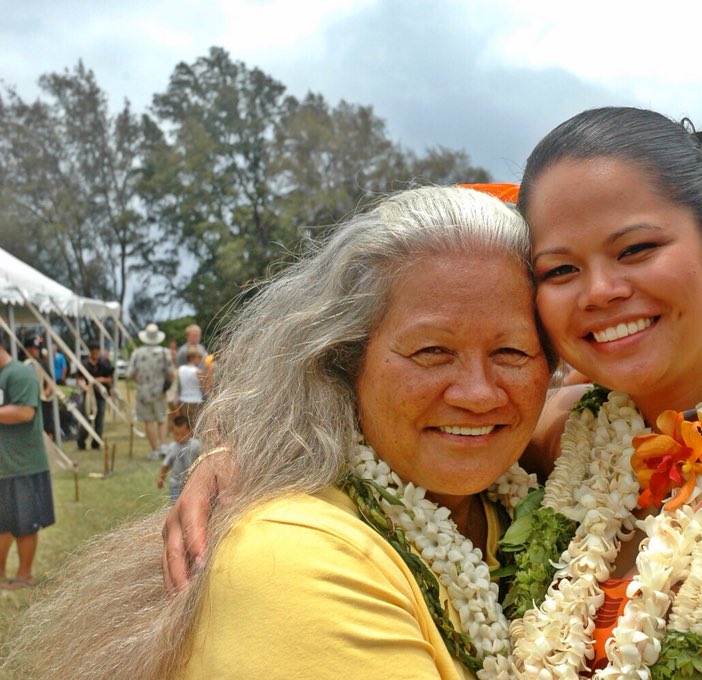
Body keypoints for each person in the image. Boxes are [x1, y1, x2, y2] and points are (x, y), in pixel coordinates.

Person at [169, 108, 702, 678]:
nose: (599, 291)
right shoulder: (567, 439)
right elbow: (403, 417)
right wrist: (248, 458)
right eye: (560, 269)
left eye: (635, 249)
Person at [1, 186, 553, 680]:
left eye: (512, 351)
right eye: (431, 351)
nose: (478, 392)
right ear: (342, 360)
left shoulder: (540, 492)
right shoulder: (288, 557)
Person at [0, 341, 56, 590]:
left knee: (24, 524)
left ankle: (25, 575)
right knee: (3, 524)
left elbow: (24, 412)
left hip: (22, 464)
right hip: (5, 464)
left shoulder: (20, 373)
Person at [128, 323, 176, 459]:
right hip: (160, 391)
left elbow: (130, 372)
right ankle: (163, 447)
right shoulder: (164, 352)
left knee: (148, 421)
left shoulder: (137, 353)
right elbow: (171, 373)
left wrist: (139, 382)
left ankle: (154, 450)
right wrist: (166, 385)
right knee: (161, 420)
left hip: (143, 392)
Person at [76, 342, 114, 450]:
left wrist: (101, 380)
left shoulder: (104, 363)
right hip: (88, 396)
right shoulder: (84, 364)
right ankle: (81, 442)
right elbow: (80, 380)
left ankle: (96, 442)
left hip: (101, 396)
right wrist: (86, 388)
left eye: (97, 352)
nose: (96, 354)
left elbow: (109, 378)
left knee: (99, 420)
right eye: (94, 352)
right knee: (86, 419)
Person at [157, 414, 202, 503]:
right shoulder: (172, 447)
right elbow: (166, 465)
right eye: (176, 434)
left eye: (183, 434)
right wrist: (161, 478)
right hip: (176, 485)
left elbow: (203, 460)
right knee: (175, 506)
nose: (179, 437)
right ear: (172, 432)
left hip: (193, 483)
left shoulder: (196, 445)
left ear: (190, 432)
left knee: (191, 504)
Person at [23, 337, 55, 439]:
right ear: (28, 349)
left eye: (38, 348)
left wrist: (45, 392)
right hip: (29, 401)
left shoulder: (42, 363)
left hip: (43, 401)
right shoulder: (22, 364)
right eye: (35, 348)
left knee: (47, 426)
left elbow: (50, 381)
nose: (37, 351)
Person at [175, 346, 205, 428]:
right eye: (199, 357)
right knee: (196, 427)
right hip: (196, 401)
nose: (200, 360)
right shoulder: (198, 372)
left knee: (186, 427)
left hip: (183, 401)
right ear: (192, 358)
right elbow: (203, 387)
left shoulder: (180, 369)